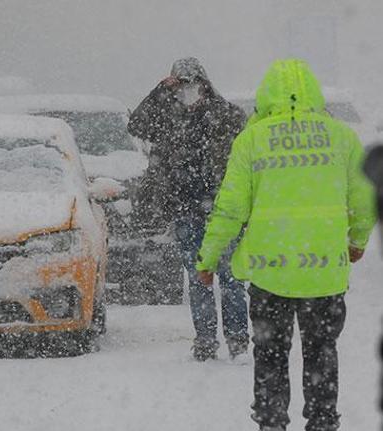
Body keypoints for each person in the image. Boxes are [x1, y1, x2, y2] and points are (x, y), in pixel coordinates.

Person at [196, 59, 376, 431]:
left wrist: (208, 257)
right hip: (324, 272)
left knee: (271, 356)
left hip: (269, 273)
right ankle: (323, 422)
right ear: (313, 93)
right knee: (321, 353)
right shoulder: (341, 138)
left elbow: (230, 208)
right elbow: (364, 198)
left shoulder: (252, 141)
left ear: (266, 97)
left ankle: (272, 422)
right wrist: (357, 240)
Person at [128, 57, 249, 361]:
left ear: (205, 85)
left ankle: (237, 338)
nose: (188, 93)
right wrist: (160, 91)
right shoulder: (167, 116)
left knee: (231, 276)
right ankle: (206, 339)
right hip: (185, 209)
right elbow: (136, 125)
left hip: (224, 209)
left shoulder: (226, 114)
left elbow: (245, 151)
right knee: (198, 278)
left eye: (193, 86)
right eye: (181, 87)